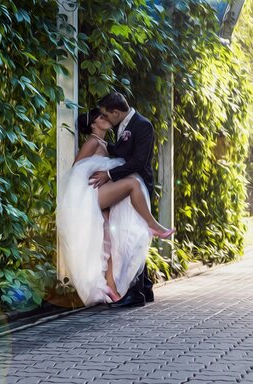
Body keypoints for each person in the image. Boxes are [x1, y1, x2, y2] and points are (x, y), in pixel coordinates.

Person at [56, 107, 173, 307]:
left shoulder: (105, 144)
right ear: (93, 124)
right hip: (91, 194)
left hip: (100, 194)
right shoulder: (93, 142)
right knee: (133, 183)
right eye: (101, 117)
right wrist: (85, 192)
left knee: (108, 242)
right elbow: (76, 169)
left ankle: (111, 286)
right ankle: (152, 224)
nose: (106, 118)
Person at [89, 92, 167, 307]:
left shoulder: (143, 125)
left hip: (138, 187)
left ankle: (135, 293)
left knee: (133, 237)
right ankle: (145, 287)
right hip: (125, 187)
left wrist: (109, 174)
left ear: (116, 112)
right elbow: (122, 152)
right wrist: (101, 144)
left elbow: (139, 161)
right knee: (130, 235)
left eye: (106, 114)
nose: (105, 118)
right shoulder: (121, 125)